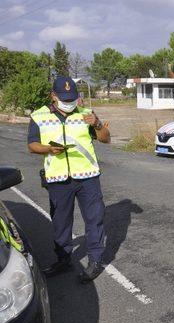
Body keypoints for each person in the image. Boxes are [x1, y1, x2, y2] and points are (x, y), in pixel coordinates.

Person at [27, 76, 111, 283]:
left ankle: (95, 261)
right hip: (57, 179)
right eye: (64, 97)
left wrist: (98, 124)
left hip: (87, 177)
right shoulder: (39, 116)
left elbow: (106, 138)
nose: (69, 101)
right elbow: (32, 145)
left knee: (94, 219)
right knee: (60, 223)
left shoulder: (86, 114)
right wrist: (48, 149)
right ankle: (63, 260)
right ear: (53, 96)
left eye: (72, 97)